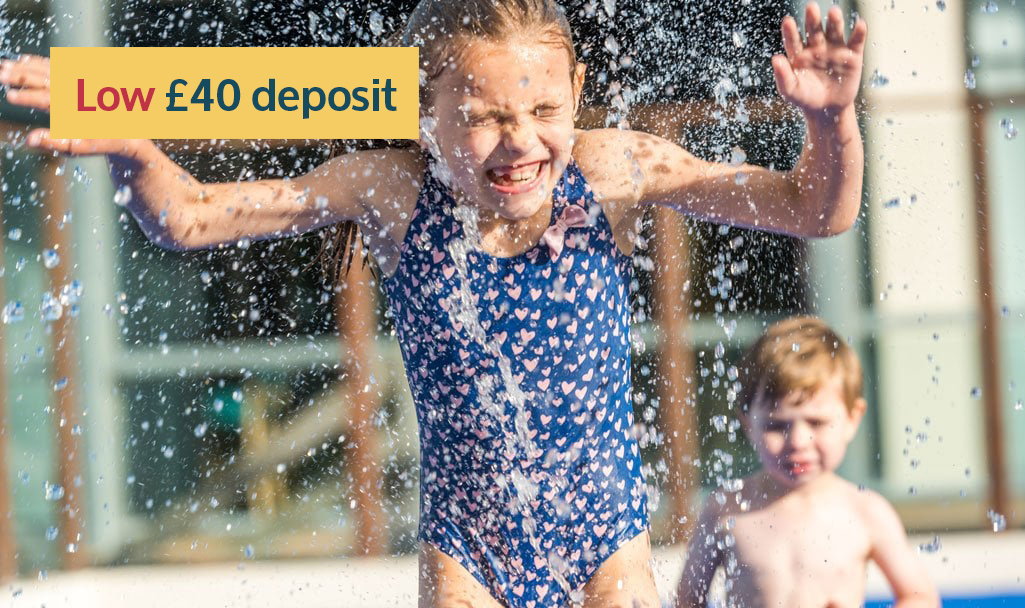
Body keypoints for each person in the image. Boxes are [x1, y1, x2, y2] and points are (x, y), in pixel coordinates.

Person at [0, 1, 867, 605]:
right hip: (467, 552)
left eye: (543, 109)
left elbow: (812, 211)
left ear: (575, 95)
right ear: (424, 113)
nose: (521, 140)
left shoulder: (612, 171)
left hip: (607, 538)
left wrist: (830, 126)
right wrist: (132, 153)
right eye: (484, 117)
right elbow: (189, 220)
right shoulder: (392, 192)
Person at [675, 317, 939, 608]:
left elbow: (920, 596)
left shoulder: (866, 512)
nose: (798, 442)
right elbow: (687, 602)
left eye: (817, 422)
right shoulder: (727, 508)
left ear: (852, 418)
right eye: (777, 425)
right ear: (749, 425)